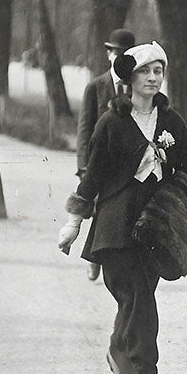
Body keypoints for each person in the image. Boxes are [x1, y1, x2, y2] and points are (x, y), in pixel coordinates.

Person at [57, 41, 187, 374]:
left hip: (156, 224)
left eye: (158, 71)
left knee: (138, 299)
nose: (153, 78)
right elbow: (95, 174)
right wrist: (74, 222)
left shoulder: (172, 122)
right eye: (145, 72)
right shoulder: (111, 123)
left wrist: (175, 192)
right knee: (137, 299)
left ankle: (121, 351)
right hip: (117, 224)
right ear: (129, 78)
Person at [76, 27, 136, 282]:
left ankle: (112, 257)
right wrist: (83, 167)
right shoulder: (96, 87)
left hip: (129, 163)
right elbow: (84, 129)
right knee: (99, 209)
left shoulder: (138, 86)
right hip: (100, 162)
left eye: (127, 54)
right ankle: (94, 258)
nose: (121, 58)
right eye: (117, 53)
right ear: (109, 55)